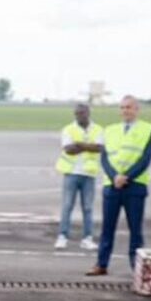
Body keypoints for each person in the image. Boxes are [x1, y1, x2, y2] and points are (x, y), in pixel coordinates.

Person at [87, 95, 151, 276]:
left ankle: (137, 267)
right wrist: (114, 176)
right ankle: (102, 264)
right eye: (123, 107)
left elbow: (145, 159)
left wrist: (127, 177)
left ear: (137, 109)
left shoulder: (148, 129)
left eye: (129, 107)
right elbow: (105, 157)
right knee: (107, 228)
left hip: (134, 187)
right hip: (112, 186)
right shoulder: (109, 130)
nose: (125, 110)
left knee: (135, 230)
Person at [54, 103, 103, 250]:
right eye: (76, 114)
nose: (79, 116)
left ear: (88, 113)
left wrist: (80, 144)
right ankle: (62, 236)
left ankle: (87, 238)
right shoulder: (68, 129)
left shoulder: (98, 129)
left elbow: (100, 148)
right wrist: (89, 146)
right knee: (67, 206)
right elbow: (68, 150)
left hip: (89, 174)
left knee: (88, 208)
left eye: (81, 113)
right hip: (71, 172)